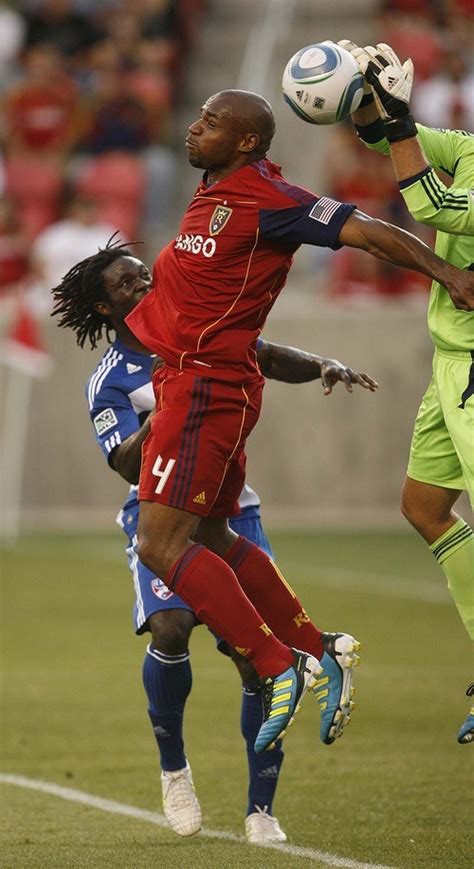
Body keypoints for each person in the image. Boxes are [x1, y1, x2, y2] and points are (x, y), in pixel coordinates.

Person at [121, 87, 473, 757]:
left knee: (159, 543)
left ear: (249, 141)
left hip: (205, 390)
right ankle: (321, 648)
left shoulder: (271, 198)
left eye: (212, 121)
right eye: (199, 116)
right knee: (213, 534)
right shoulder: (212, 190)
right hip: (191, 384)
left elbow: (367, 229)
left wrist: (445, 272)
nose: (194, 128)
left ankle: (279, 663)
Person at [51, 242, 377, 840]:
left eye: (145, 275)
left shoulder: (198, 325)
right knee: (171, 629)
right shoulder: (110, 381)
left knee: (254, 662)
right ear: (103, 307)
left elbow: (269, 354)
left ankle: (262, 809)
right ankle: (175, 770)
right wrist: (165, 410)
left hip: (231, 508)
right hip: (156, 509)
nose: (144, 286)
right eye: (127, 285)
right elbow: (124, 463)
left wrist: (324, 363)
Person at [338, 39, 474, 744]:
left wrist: (396, 122)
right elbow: (397, 137)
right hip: (451, 361)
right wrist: (367, 99)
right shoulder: (471, 144)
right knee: (424, 507)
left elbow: (434, 201)